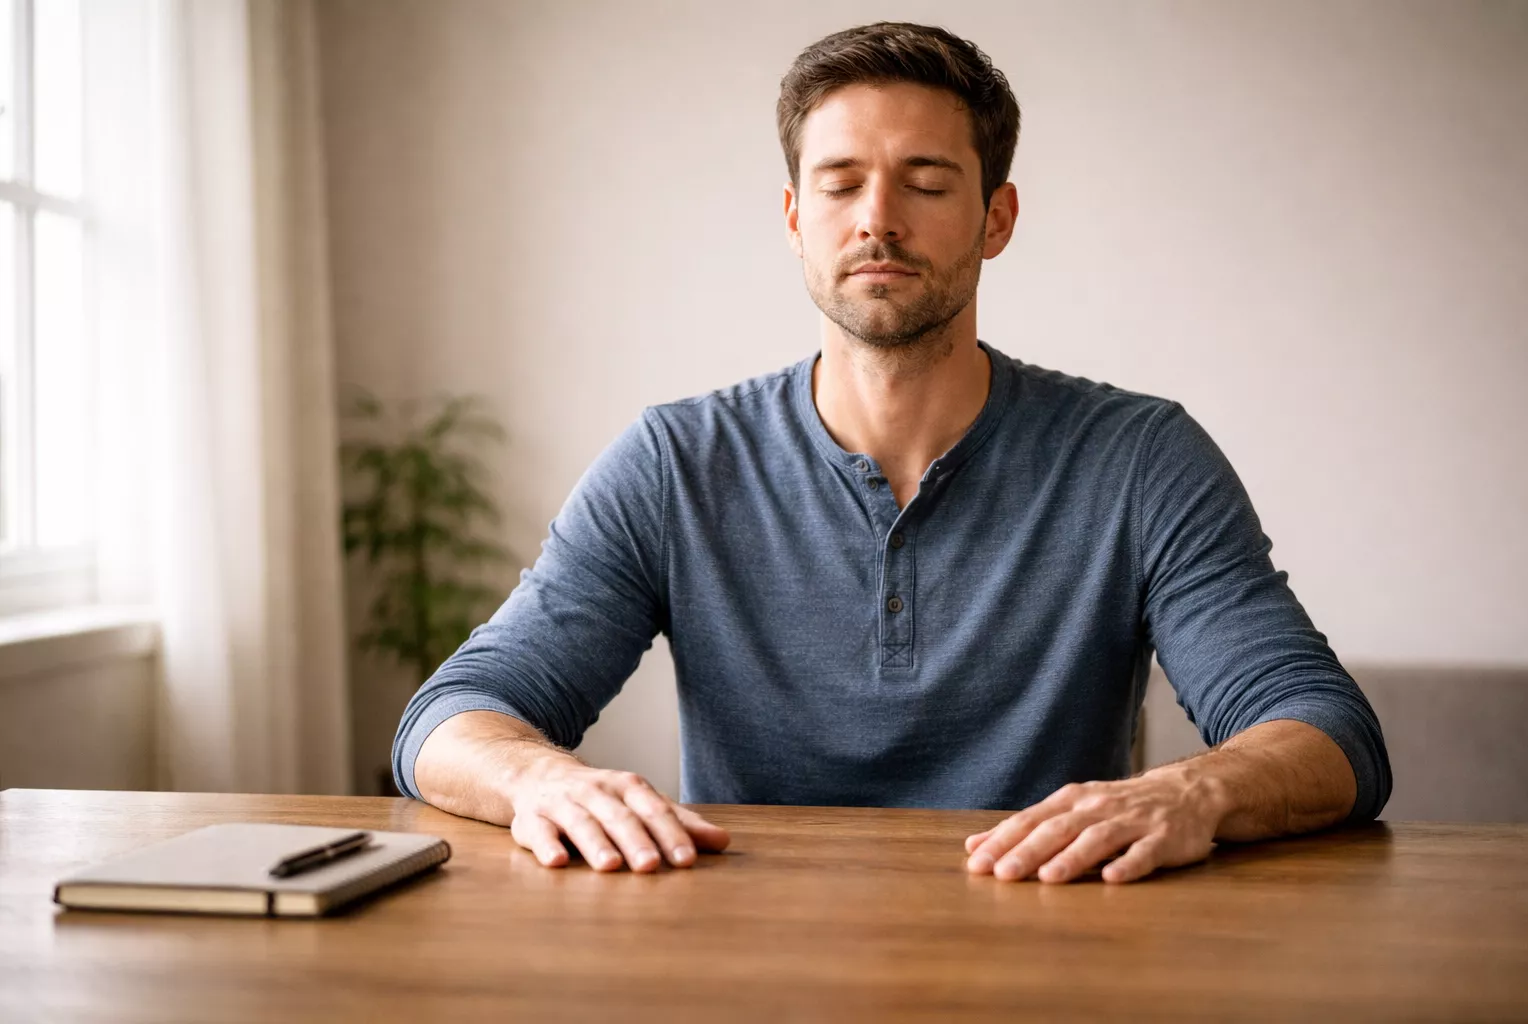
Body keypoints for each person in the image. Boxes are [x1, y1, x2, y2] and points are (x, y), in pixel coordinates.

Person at [392, 21, 1391, 885]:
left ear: (995, 218)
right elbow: (453, 715)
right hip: (743, 963)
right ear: (795, 219)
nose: (877, 218)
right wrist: (541, 777)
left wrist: (1192, 794)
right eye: (839, 184)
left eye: (925, 181)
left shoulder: (1139, 458)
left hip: (1050, 945)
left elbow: (1325, 730)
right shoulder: (675, 461)